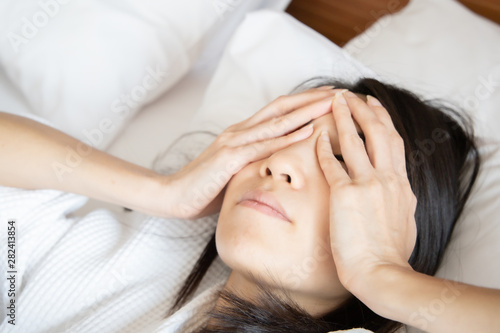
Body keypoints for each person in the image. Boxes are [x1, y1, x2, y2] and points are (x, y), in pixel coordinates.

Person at [0, 78, 498, 333]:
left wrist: (383, 275)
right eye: (281, 137)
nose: (279, 165)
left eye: (341, 162)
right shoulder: (135, 251)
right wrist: (163, 192)